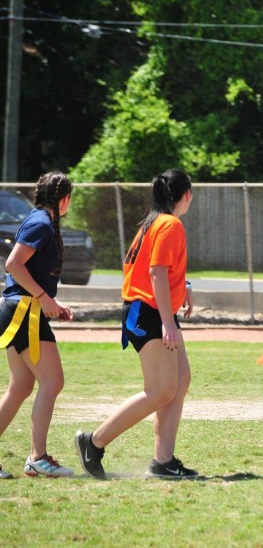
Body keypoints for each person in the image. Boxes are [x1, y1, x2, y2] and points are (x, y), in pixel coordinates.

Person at [75, 168, 198, 479]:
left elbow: (157, 269)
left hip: (151, 309)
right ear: (186, 195)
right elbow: (156, 272)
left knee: (180, 380)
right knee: (160, 389)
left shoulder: (154, 222)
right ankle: (95, 441)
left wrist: (184, 288)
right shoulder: (170, 224)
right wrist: (168, 322)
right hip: (150, 312)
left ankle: (163, 462)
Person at [0, 172, 76, 478]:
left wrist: (53, 304)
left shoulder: (41, 221)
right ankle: (37, 456)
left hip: (23, 311)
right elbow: (13, 264)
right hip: (23, 313)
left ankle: (37, 456)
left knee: (20, 387)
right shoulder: (41, 223)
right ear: (64, 199)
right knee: (52, 381)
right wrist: (44, 297)